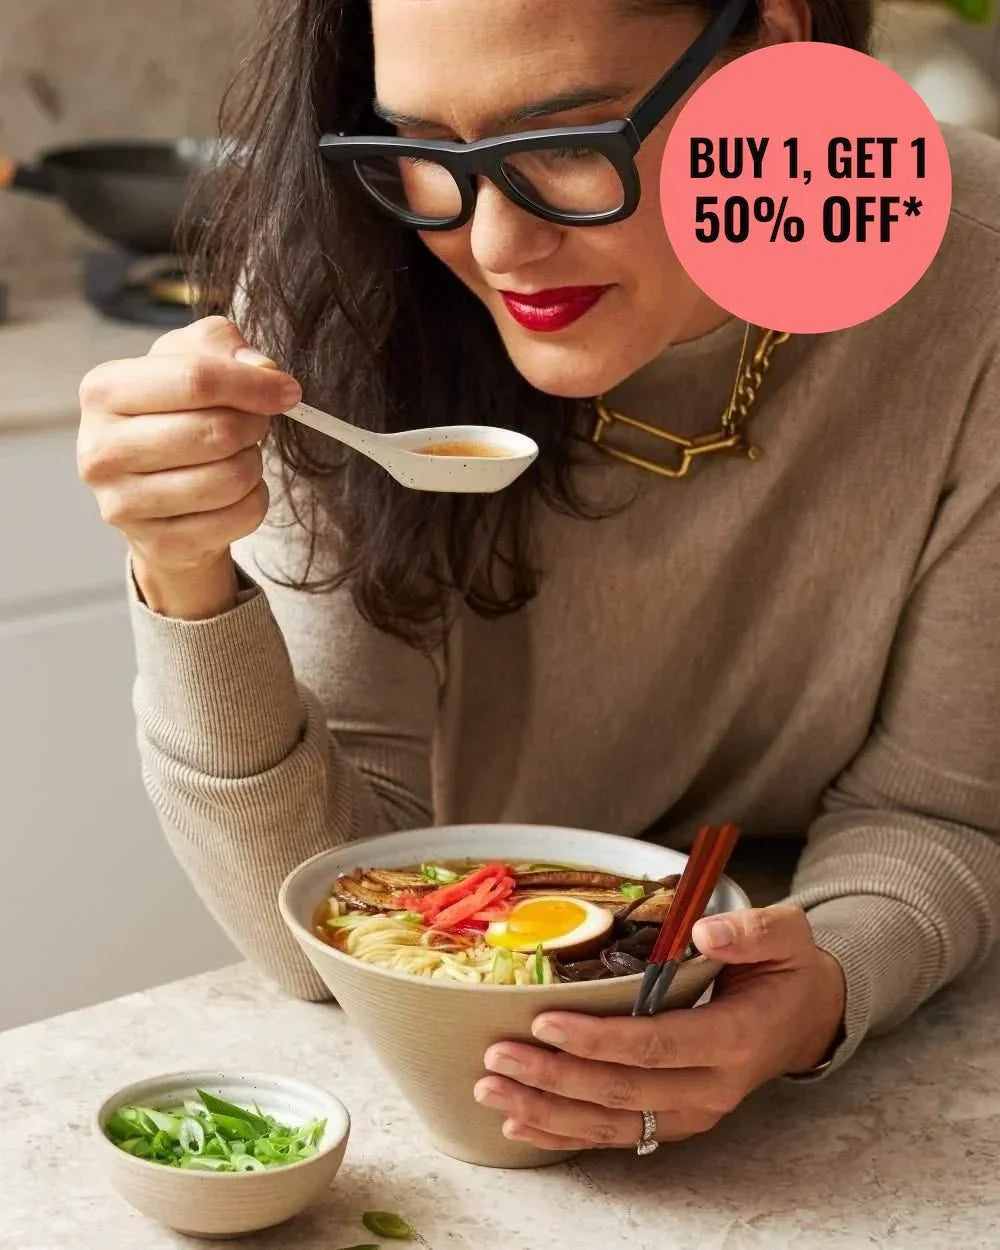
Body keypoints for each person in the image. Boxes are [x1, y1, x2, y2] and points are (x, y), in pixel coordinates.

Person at [77, 0, 1000, 1156]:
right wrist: (183, 573)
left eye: (566, 142)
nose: (497, 245)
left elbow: (937, 811)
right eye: (422, 148)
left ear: (771, 46)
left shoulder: (974, 271)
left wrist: (820, 991)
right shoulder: (338, 286)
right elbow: (319, 911)